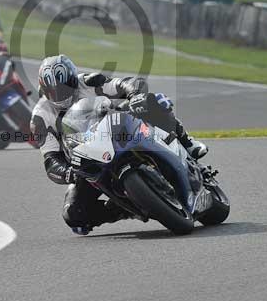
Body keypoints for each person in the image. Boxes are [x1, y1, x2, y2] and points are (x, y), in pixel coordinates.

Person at [30, 54, 208, 235]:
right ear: (43, 89)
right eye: (54, 91)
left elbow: (125, 83)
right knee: (74, 216)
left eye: (65, 87)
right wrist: (68, 172)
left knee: (155, 101)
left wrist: (134, 95)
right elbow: (51, 159)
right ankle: (123, 208)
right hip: (85, 159)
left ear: (74, 79)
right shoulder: (40, 117)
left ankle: (187, 143)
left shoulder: (90, 82)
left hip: (117, 129)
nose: (60, 95)